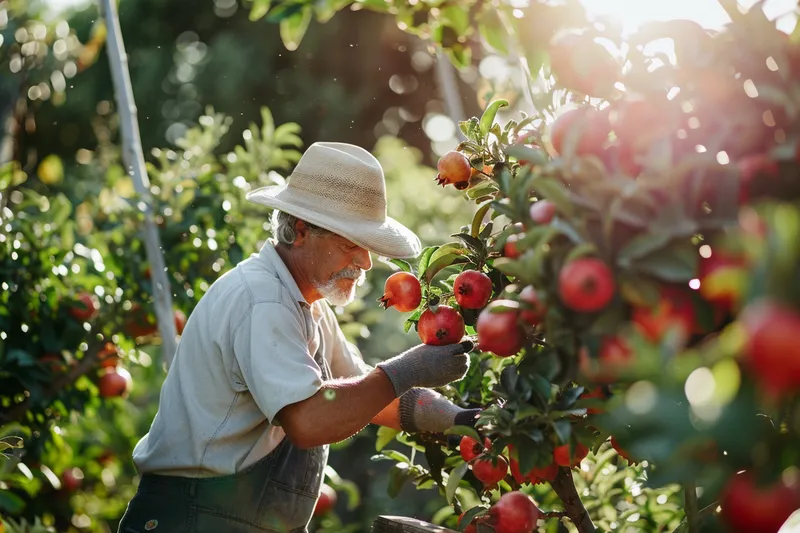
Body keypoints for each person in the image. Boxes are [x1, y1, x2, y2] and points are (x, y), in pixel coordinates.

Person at [117, 142, 479, 533]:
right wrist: (409, 368)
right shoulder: (264, 301)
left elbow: (367, 393)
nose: (365, 262)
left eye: (368, 247)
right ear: (302, 231)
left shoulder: (306, 304)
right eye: (349, 244)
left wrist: (461, 419)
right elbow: (310, 421)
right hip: (193, 517)